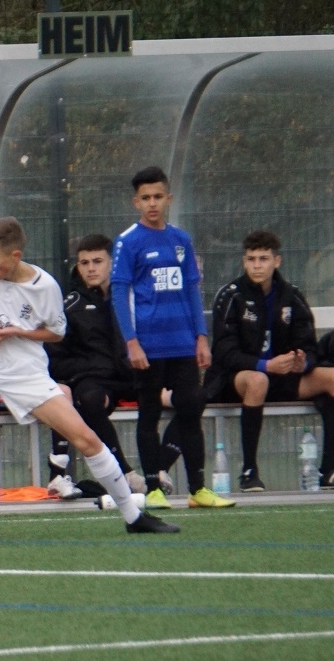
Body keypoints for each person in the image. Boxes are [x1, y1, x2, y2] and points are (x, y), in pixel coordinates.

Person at [0, 216, 179, 534]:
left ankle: (134, 516)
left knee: (86, 439)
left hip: (26, 373)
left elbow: (56, 333)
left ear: (15, 256)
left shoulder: (45, 287)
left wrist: (14, 331)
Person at [204, 230, 334, 491]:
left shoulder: (291, 295)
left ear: (276, 261)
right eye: (251, 259)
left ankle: (328, 470)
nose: (257, 266)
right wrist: (265, 365)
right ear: (244, 262)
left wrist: (303, 363)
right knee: (258, 380)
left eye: (263, 259)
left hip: (282, 376)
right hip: (237, 379)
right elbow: (224, 352)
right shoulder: (231, 296)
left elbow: (309, 345)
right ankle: (249, 471)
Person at [110, 166, 234, 510]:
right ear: (136, 202)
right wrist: (131, 342)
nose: (152, 203)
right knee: (149, 414)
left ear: (169, 198)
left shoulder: (181, 239)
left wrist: (201, 337)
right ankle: (153, 488)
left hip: (182, 344)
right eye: (145, 198)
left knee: (191, 410)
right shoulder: (127, 241)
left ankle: (198, 489)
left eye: (158, 196)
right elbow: (120, 294)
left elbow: (192, 290)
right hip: (148, 346)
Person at [44, 234, 147, 500]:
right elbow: (56, 358)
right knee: (89, 398)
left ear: (112, 263)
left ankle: (159, 472)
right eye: (84, 263)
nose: (90, 268)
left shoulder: (132, 297)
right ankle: (125, 473)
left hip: (134, 374)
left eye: (98, 261)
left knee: (188, 396)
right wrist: (91, 369)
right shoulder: (70, 305)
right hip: (94, 380)